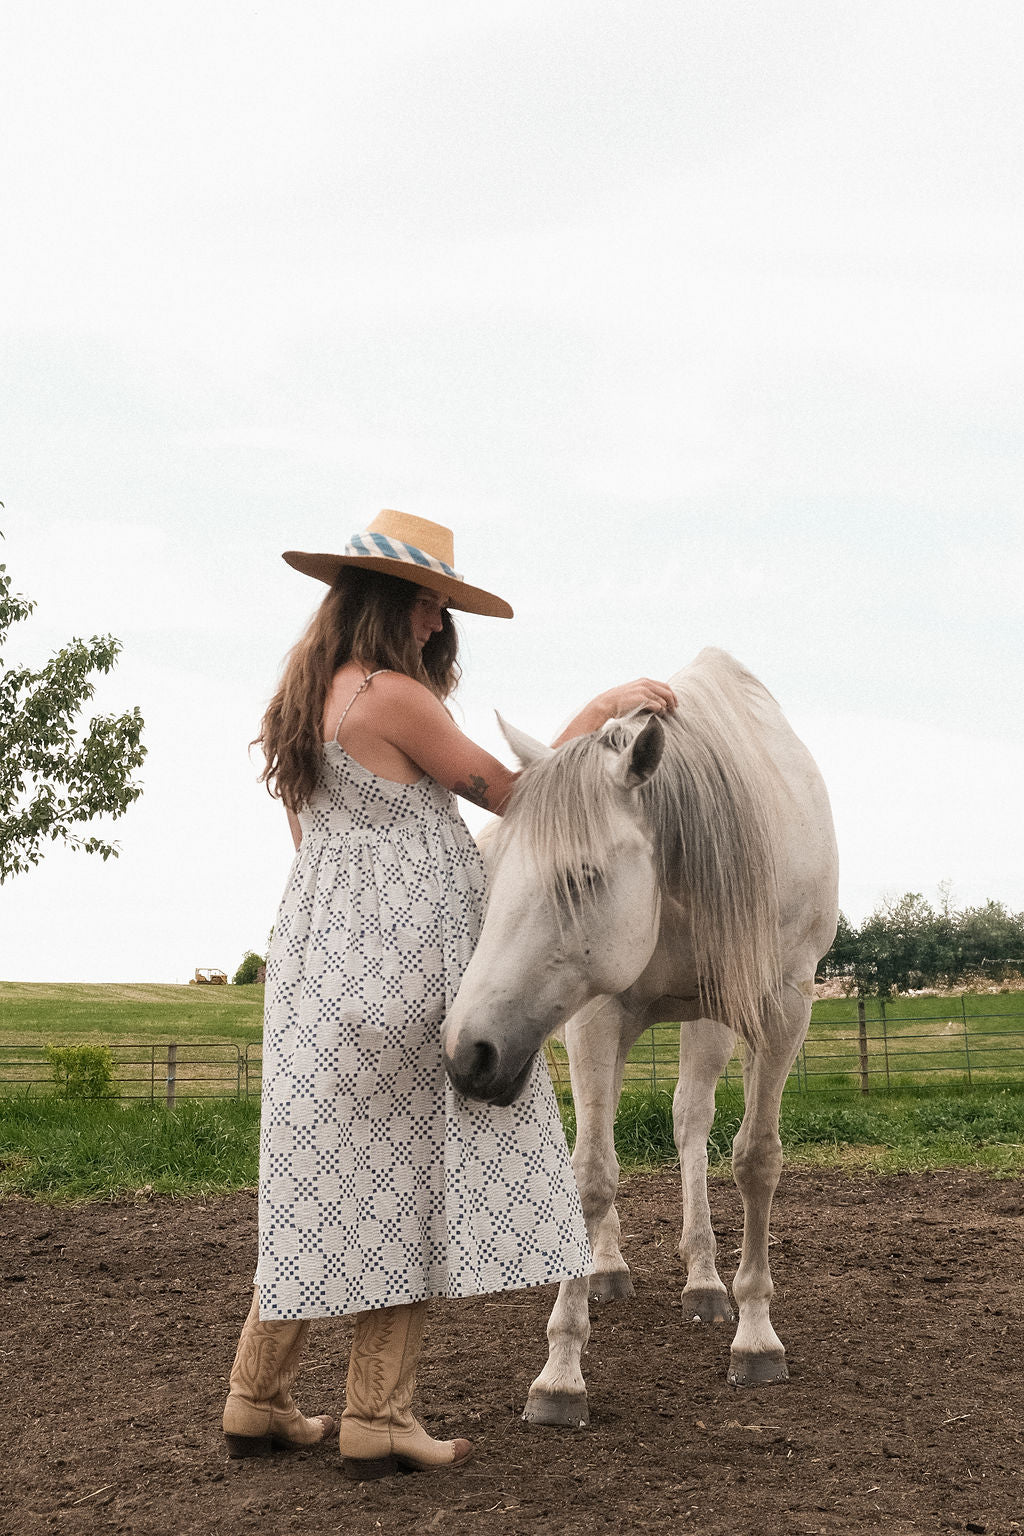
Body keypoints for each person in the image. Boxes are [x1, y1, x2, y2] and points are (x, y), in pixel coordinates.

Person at [222, 509, 676, 1478]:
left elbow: (314, 846)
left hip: (319, 961)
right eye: (429, 604)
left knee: (319, 1184)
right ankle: (378, 1415)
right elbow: (518, 795)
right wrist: (599, 712)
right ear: (389, 604)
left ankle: (255, 1399)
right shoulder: (391, 695)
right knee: (406, 1183)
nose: (438, 623)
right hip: (405, 959)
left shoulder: (306, 701)